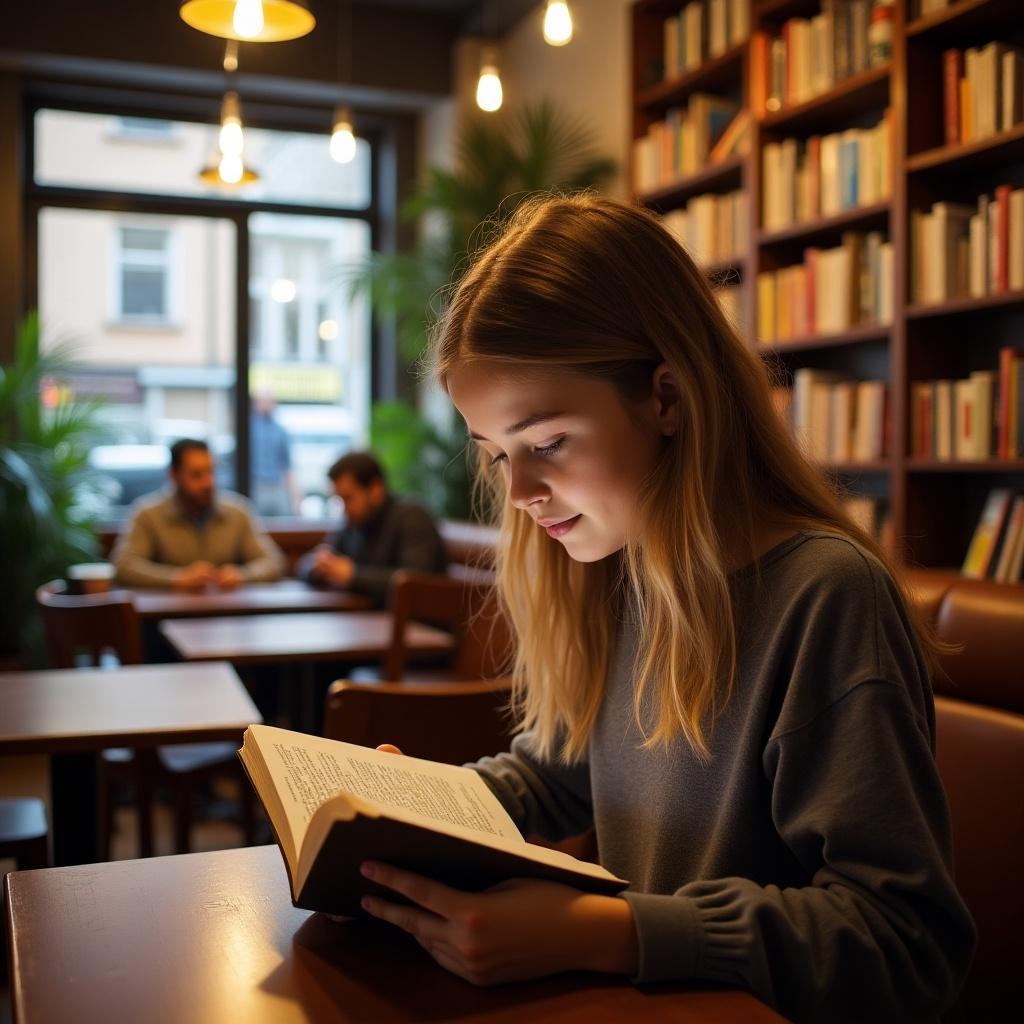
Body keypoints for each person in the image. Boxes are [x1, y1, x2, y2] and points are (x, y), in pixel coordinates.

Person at [346, 196, 975, 1022]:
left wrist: (608, 933)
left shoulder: (826, 596)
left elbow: (903, 940)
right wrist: (422, 809)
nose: (522, 493)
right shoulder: (616, 568)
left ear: (668, 398)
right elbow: (554, 772)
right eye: (498, 455)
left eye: (548, 442)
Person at [112, 438, 284, 589]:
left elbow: (273, 562)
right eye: (197, 474)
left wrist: (242, 575)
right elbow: (124, 567)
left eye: (211, 471)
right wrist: (176, 578)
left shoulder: (237, 511)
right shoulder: (147, 513)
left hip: (227, 616)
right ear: (174, 476)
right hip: (167, 615)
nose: (208, 482)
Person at [297, 451, 447, 608]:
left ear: (375, 489)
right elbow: (306, 563)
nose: (344, 509)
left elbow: (415, 581)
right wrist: (318, 567)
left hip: (417, 626)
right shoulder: (353, 523)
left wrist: (353, 576)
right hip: (368, 620)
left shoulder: (413, 516)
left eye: (348, 498)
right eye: (339, 500)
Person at [250, 389, 298, 516]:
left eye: (270, 402)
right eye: (263, 401)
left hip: (276, 487)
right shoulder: (248, 429)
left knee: (284, 526)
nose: (267, 405)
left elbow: (287, 466)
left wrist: (296, 498)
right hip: (256, 487)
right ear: (256, 403)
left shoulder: (280, 431)